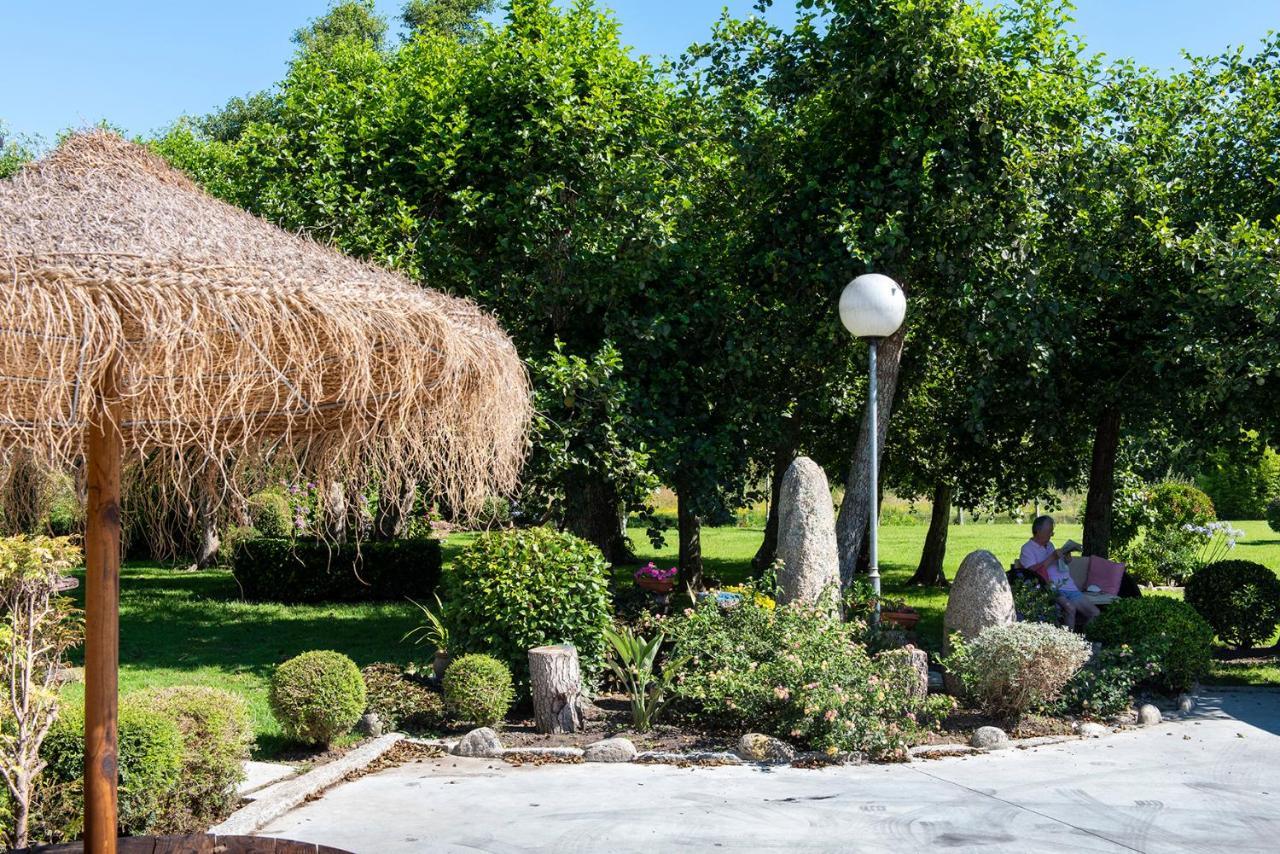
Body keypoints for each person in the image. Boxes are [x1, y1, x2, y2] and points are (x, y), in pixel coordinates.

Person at [1019, 515, 1099, 631]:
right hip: (1051, 587)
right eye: (1049, 531)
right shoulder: (1027, 549)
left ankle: (1083, 641)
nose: (1052, 535)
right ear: (1038, 531)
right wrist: (1052, 557)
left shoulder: (1050, 545)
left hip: (1069, 587)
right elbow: (1031, 573)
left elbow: (1057, 565)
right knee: (1070, 608)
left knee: (1095, 613)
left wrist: (1065, 558)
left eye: (1052, 531)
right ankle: (1069, 643)